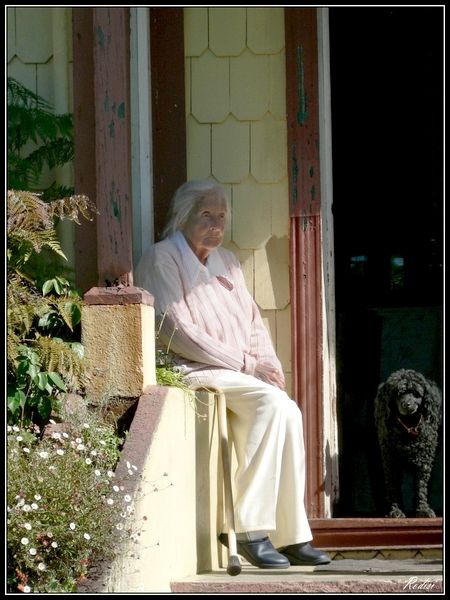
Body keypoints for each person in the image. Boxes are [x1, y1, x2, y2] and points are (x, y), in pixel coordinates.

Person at [135, 179, 331, 569]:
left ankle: (290, 534)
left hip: (234, 372)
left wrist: (268, 364)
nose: (216, 224)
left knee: (287, 409)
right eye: (206, 214)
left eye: (221, 216)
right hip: (192, 369)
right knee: (273, 406)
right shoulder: (163, 259)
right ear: (183, 216)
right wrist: (247, 364)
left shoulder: (226, 262)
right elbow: (177, 331)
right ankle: (248, 527)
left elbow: (252, 319)